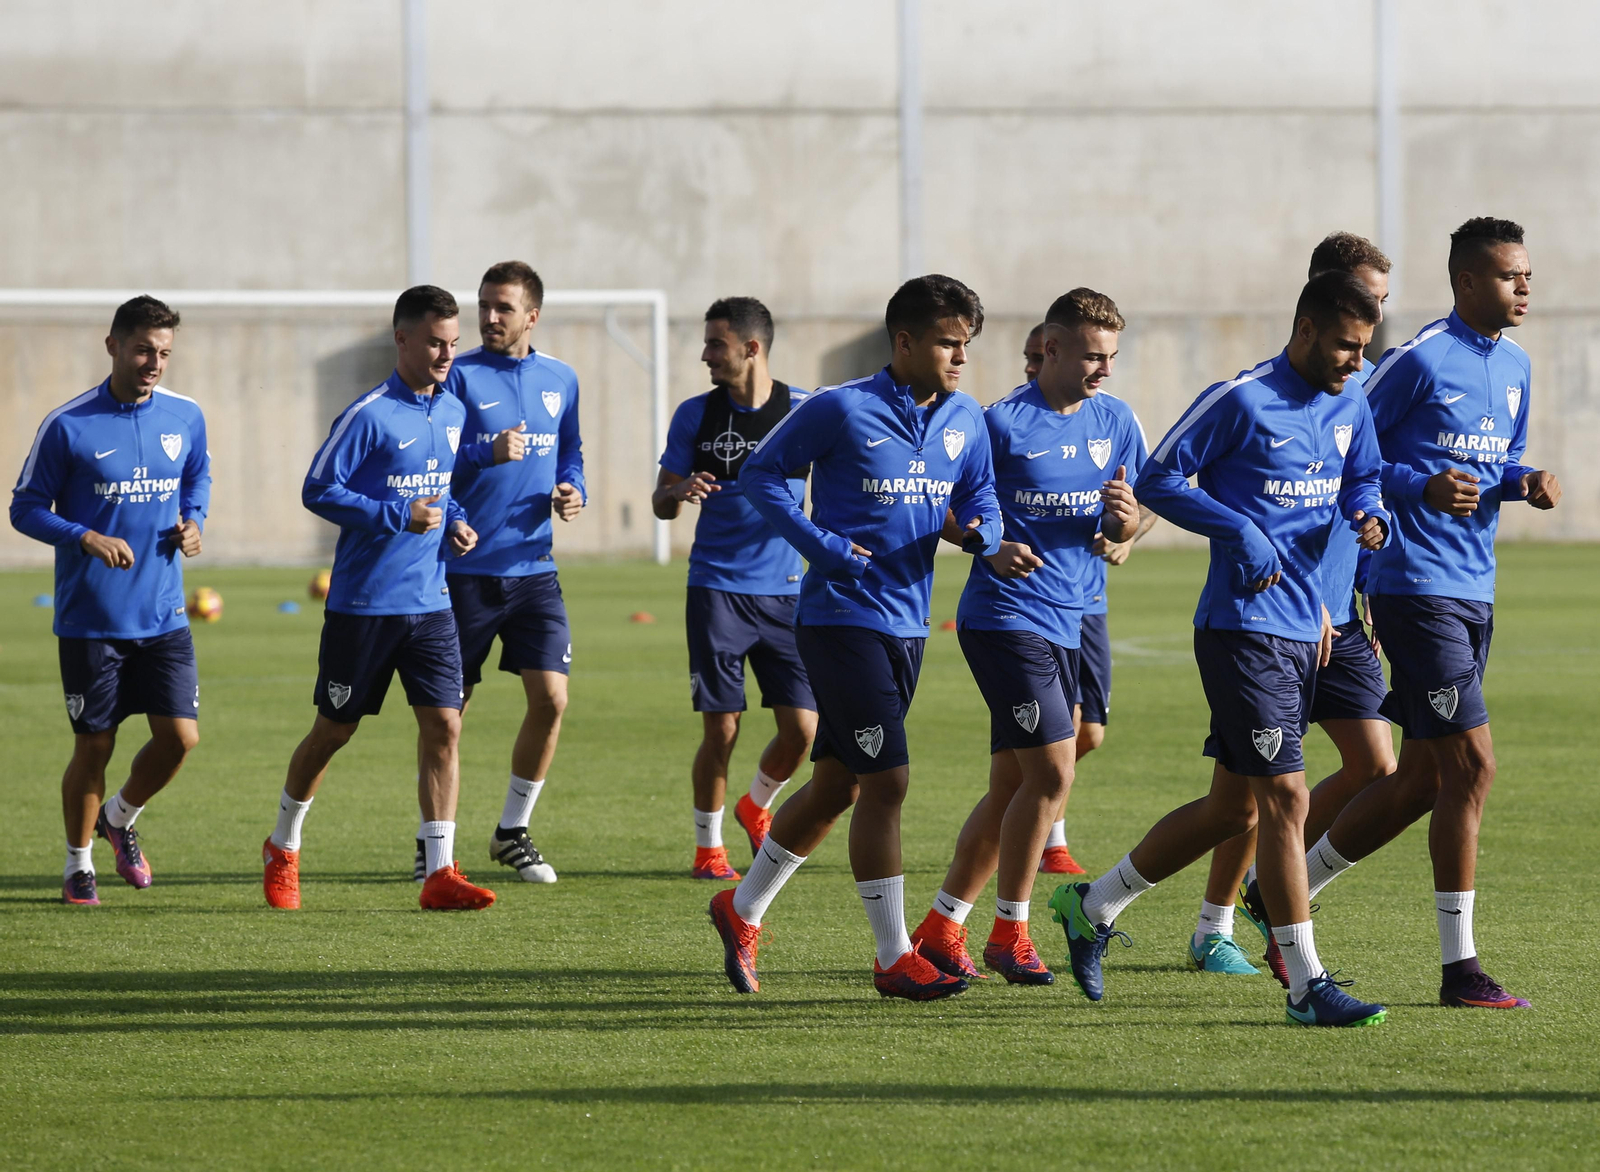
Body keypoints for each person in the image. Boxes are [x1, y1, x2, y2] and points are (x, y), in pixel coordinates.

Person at [1049, 271, 1393, 1028]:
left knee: (1231, 810)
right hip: (1242, 630)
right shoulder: (1240, 399)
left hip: (1313, 627)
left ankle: (1091, 903)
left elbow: (1361, 477)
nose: (1354, 361)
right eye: (1344, 345)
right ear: (1304, 329)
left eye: (1363, 349)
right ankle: (1306, 984)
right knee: (1287, 798)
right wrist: (1236, 527)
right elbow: (1157, 478)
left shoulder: (1352, 400)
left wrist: (1370, 516)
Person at [1254, 217, 1560, 1011]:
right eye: (1507, 276)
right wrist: (1418, 486)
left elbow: (1496, 460)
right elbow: (1348, 449)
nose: (1523, 287)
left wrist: (1523, 481)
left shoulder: (1519, 365)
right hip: (1413, 587)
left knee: (1423, 774)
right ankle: (1460, 971)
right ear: (1465, 282)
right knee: (1474, 765)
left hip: (1475, 586)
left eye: (1526, 275)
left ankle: (1280, 887)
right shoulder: (1418, 359)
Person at [706, 274, 1002, 1000]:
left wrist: (985, 533)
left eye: (967, 344)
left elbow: (978, 492)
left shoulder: (966, 417)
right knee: (887, 781)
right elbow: (761, 474)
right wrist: (824, 548)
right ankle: (893, 956)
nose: (960, 356)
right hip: (840, 620)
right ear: (904, 341)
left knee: (838, 784)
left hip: (908, 624)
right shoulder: (841, 408)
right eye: (946, 342)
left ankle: (739, 909)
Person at [909, 289, 1146, 985]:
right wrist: (987, 546)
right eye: (1092, 356)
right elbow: (941, 501)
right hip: (1004, 619)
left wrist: (1125, 523)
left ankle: (942, 924)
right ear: (1050, 349)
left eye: (1111, 357)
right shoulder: (1000, 424)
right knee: (1053, 770)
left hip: (1069, 620)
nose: (1103, 369)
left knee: (1015, 783)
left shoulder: (1115, 421)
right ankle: (1009, 930)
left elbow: (1125, 521)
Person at [1194, 232, 1399, 981]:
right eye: (1365, 300)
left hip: (1337, 607)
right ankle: (1218, 923)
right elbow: (1202, 476)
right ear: (1320, 301)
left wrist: (1363, 580)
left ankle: (1270, 893)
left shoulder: (1362, 383)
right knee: (1256, 793)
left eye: (1382, 301)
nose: (1374, 314)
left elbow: (1365, 477)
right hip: (1271, 611)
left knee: (1370, 763)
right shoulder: (1265, 391)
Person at [262, 285, 493, 912]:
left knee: (445, 725)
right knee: (333, 732)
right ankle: (283, 846)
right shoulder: (368, 414)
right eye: (435, 343)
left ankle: (440, 871)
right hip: (363, 608)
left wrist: (455, 520)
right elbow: (318, 490)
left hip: (431, 601)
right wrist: (397, 514)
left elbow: (439, 490)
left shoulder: (451, 409)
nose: (447, 354)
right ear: (402, 339)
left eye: (453, 343)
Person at [11, 296, 209, 906]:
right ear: (114, 346)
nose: (155, 363)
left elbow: (196, 477)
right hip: (91, 619)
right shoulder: (68, 424)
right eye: (145, 350)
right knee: (95, 744)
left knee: (180, 738)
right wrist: (85, 536)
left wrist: (194, 521)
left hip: (164, 613)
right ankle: (78, 865)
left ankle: (119, 817)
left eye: (165, 353)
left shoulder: (185, 416)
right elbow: (24, 508)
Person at [413, 261, 584, 886]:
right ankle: (434, 844)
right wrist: (485, 455)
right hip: (464, 573)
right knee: (447, 714)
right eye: (484, 305)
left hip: (535, 567)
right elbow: (433, 463)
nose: (489, 317)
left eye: (503, 307)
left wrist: (573, 488)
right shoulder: (456, 375)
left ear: (532, 315)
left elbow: (571, 449)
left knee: (552, 698)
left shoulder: (560, 378)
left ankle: (512, 831)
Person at [653, 297, 817, 881]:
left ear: (751, 348)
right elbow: (660, 502)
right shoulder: (695, 416)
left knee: (803, 730)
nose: (705, 356)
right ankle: (708, 847)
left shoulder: (804, 411)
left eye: (715, 345)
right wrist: (677, 494)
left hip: (788, 593)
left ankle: (756, 804)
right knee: (722, 725)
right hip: (717, 588)